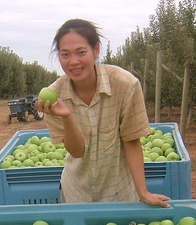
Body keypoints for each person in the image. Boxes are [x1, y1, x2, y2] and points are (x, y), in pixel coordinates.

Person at [35, 18, 171, 208]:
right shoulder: (54, 97)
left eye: (81, 52)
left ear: (96, 50)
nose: (73, 61)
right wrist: (66, 117)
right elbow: (77, 151)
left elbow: (131, 140)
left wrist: (143, 192)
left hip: (120, 192)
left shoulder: (125, 85)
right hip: (76, 193)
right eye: (65, 54)